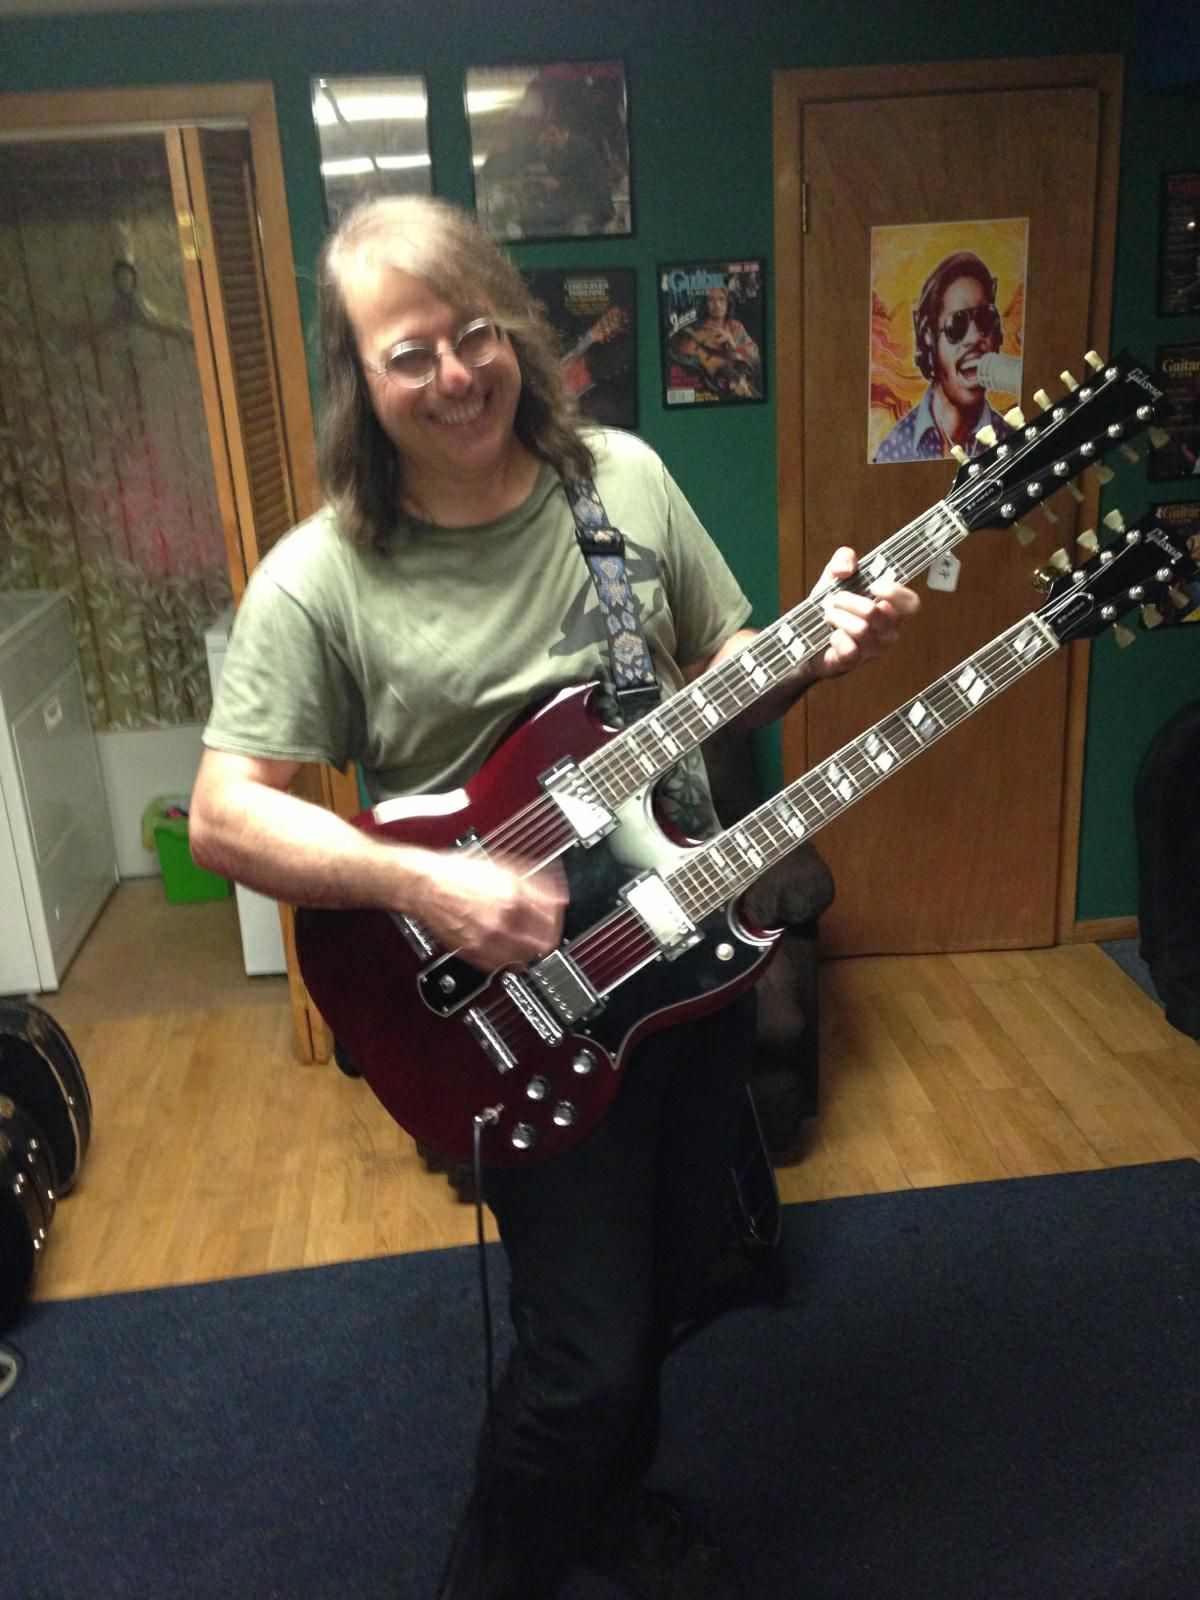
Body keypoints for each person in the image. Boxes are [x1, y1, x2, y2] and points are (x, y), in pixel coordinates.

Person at [189, 195, 919, 1600]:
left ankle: (609, 1509)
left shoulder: (623, 482)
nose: (457, 375)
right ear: (360, 378)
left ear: (516, 331)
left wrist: (812, 649)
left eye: (475, 334)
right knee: (582, 1359)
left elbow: (724, 662)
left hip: (689, 958)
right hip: (517, 1009)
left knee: (683, 1283)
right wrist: (427, 879)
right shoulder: (321, 578)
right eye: (411, 354)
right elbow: (225, 814)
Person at [873, 249, 1013, 463]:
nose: (975, 337)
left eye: (985, 319)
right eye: (957, 324)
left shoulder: (1012, 443)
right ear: (929, 339)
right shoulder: (893, 450)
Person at [668, 283, 762, 400]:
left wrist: (733, 346)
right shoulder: (696, 331)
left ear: (728, 302)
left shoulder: (735, 326)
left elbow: (755, 356)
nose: (717, 305)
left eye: (721, 299)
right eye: (711, 300)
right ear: (705, 303)